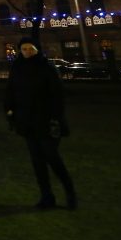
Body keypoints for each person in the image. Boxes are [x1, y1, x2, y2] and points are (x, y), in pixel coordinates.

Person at [5, 36, 77, 210]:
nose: (27, 52)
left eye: (31, 49)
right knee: (37, 162)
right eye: (24, 49)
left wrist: (56, 117)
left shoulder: (47, 68)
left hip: (46, 121)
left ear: (37, 50)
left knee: (52, 158)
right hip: (27, 122)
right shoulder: (17, 68)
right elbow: (10, 91)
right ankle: (46, 196)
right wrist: (9, 110)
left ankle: (70, 193)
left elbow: (57, 95)